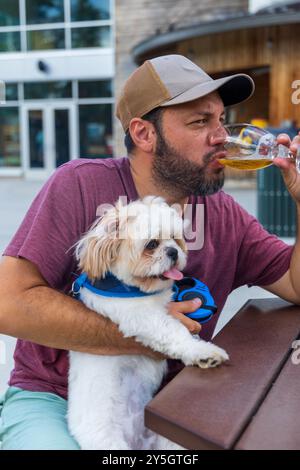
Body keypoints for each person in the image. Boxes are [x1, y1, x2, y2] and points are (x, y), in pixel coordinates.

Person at [0, 54, 300, 450]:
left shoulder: (226, 215)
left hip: (169, 401)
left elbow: (295, 286)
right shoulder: (80, 184)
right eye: (199, 122)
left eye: (220, 120)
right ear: (144, 134)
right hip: (54, 398)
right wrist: (150, 332)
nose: (221, 136)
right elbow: (8, 303)